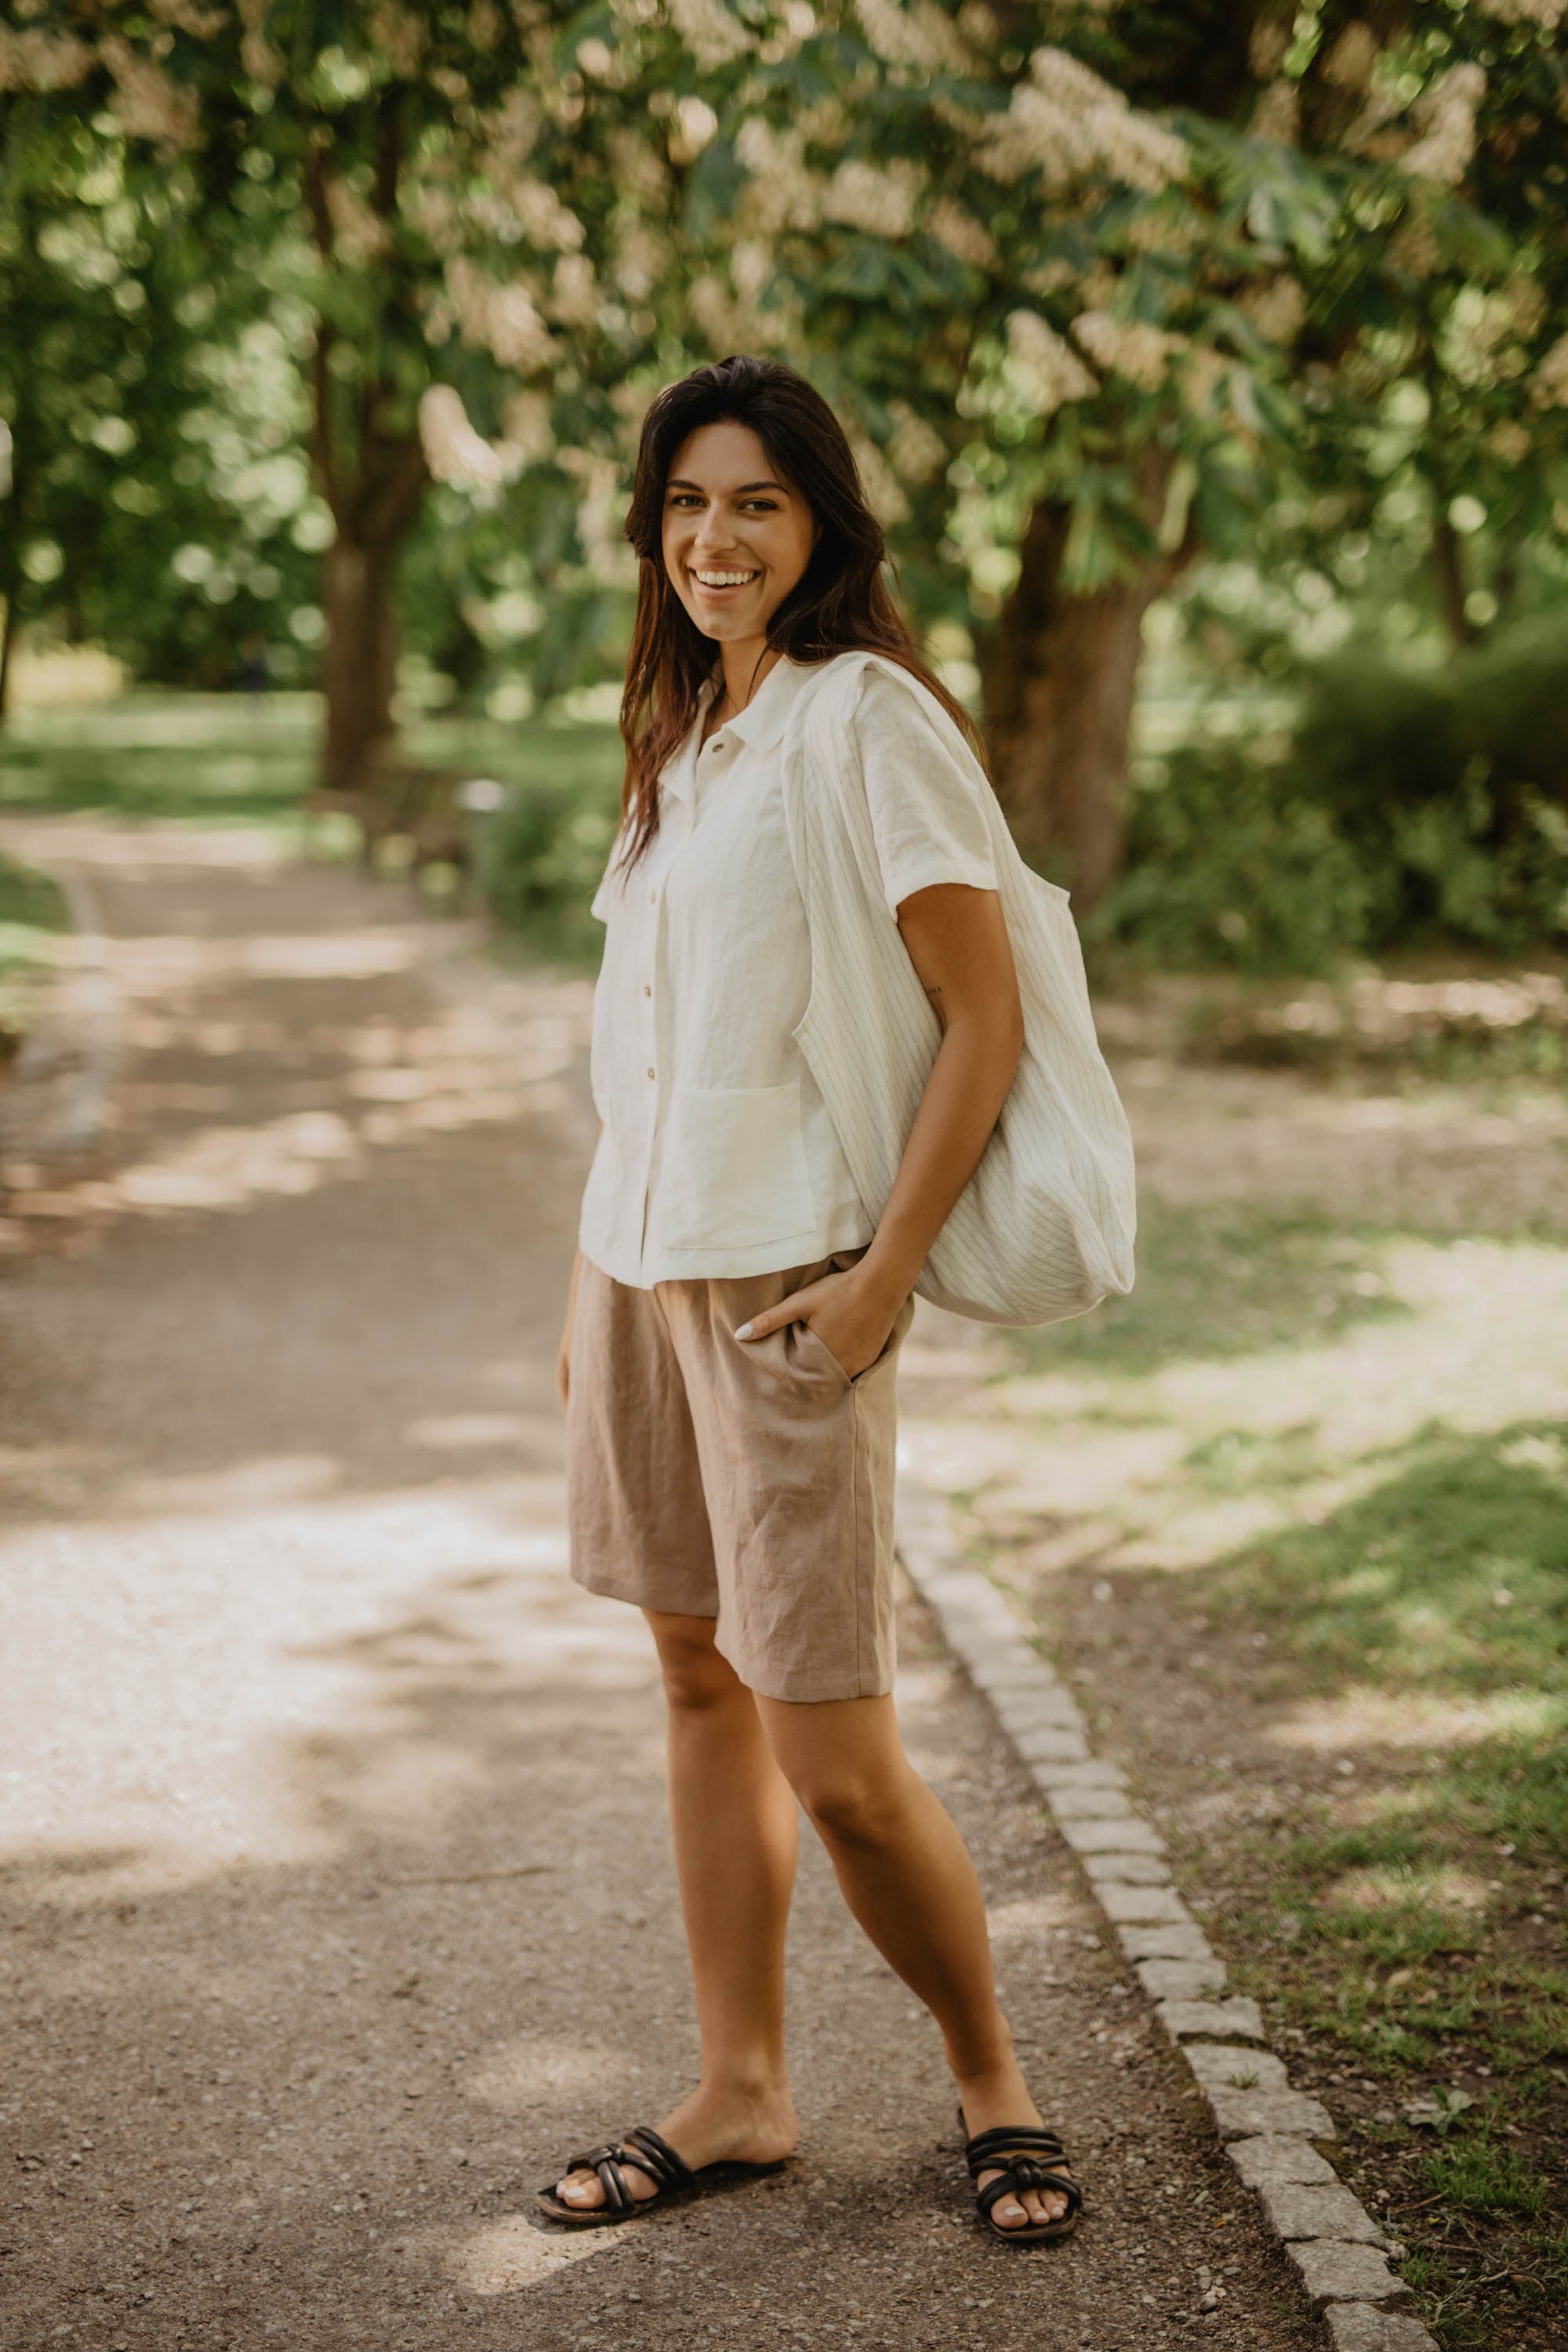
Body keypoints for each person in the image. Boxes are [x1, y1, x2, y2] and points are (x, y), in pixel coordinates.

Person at [537, 356, 1083, 2247]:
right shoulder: (686, 734)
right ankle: (743, 2091)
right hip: (643, 1263)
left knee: (835, 1752)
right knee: (695, 1678)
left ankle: (994, 2079)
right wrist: (591, 1286)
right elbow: (648, 1055)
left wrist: (877, 1282)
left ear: (821, 523)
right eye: (687, 504)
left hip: (791, 1280)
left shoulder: (870, 721)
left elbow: (983, 1020)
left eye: (754, 503)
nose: (715, 538)